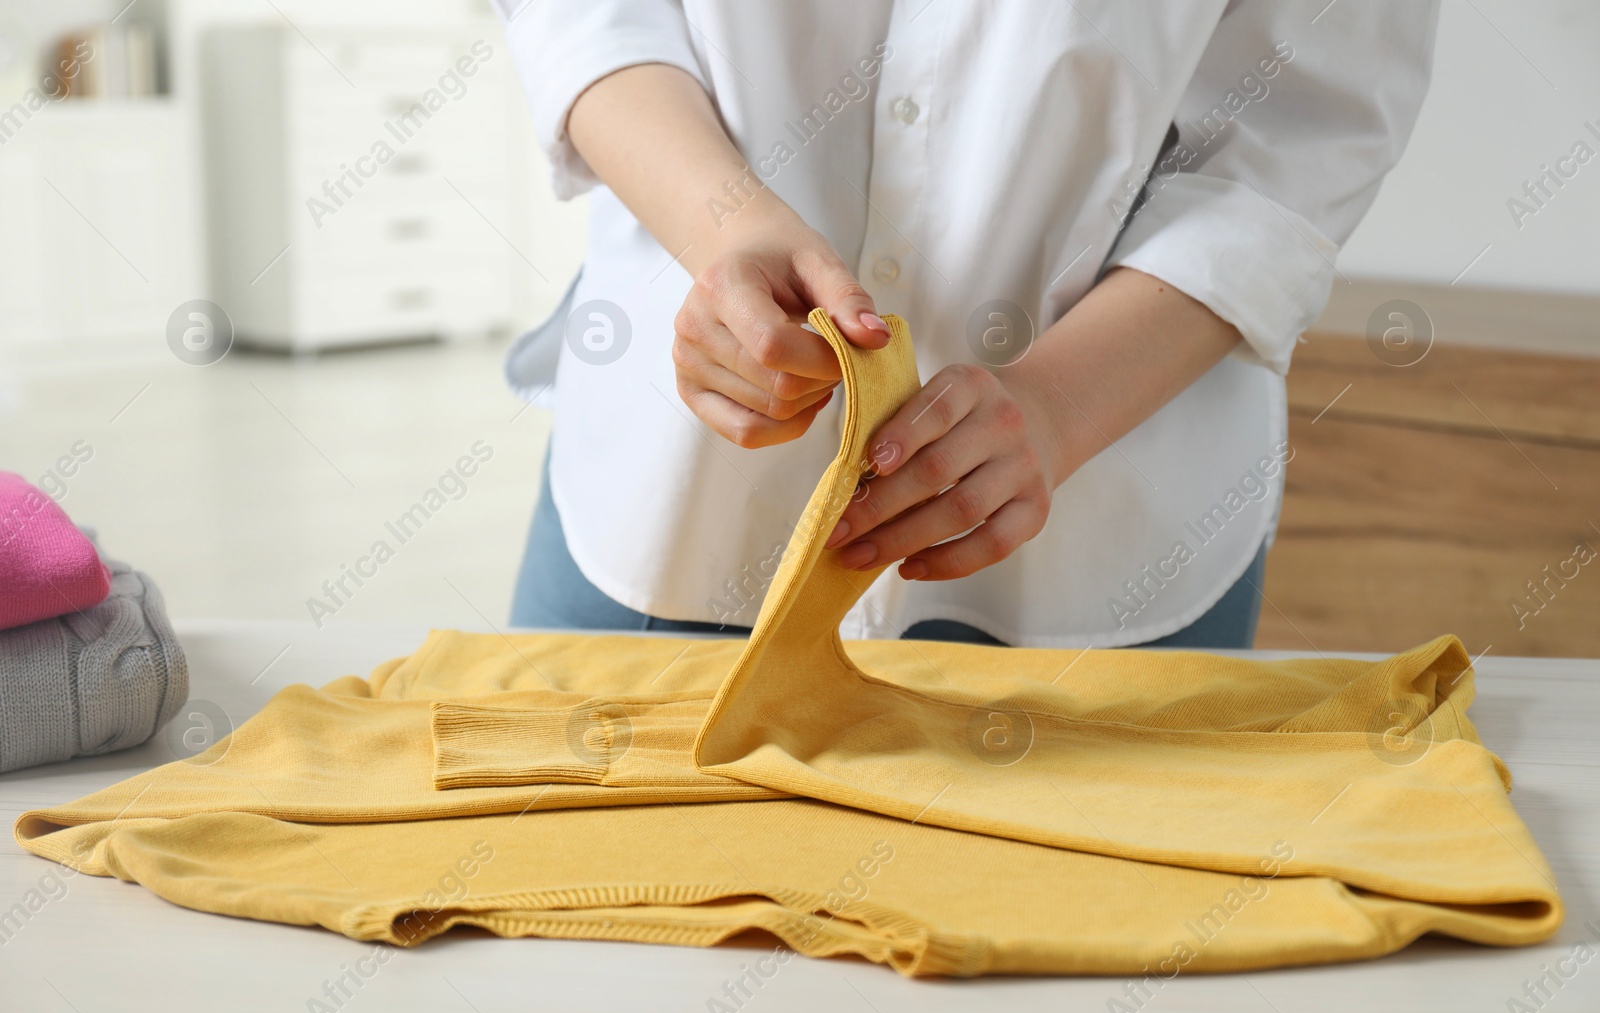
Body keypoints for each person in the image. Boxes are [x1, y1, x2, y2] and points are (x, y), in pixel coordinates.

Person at [497, 2, 1440, 648]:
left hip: (1098, 542)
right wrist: (722, 221)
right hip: (668, 502)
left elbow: (1305, 131)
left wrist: (1058, 407)